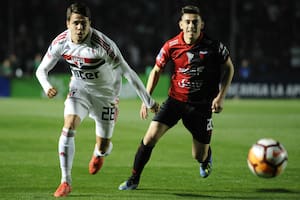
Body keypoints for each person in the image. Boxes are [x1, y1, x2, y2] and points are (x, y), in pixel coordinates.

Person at [35, 2, 159, 197]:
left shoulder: (103, 45)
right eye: (75, 23)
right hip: (79, 90)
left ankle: (100, 153)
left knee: (102, 145)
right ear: (68, 23)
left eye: (84, 23)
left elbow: (129, 73)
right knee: (68, 127)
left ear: (89, 23)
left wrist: (149, 101)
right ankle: (65, 181)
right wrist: (47, 86)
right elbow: (41, 70)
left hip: (106, 97)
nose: (80, 27)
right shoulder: (61, 42)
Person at [119, 5, 234, 190]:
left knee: (198, 155)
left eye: (195, 22)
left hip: (201, 107)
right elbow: (156, 71)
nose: (191, 26)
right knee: (149, 137)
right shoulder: (171, 45)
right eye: (187, 22)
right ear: (181, 24)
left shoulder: (214, 46)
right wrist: (145, 98)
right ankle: (134, 179)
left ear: (201, 24)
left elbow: (230, 67)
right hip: (175, 102)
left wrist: (221, 96)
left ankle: (206, 158)